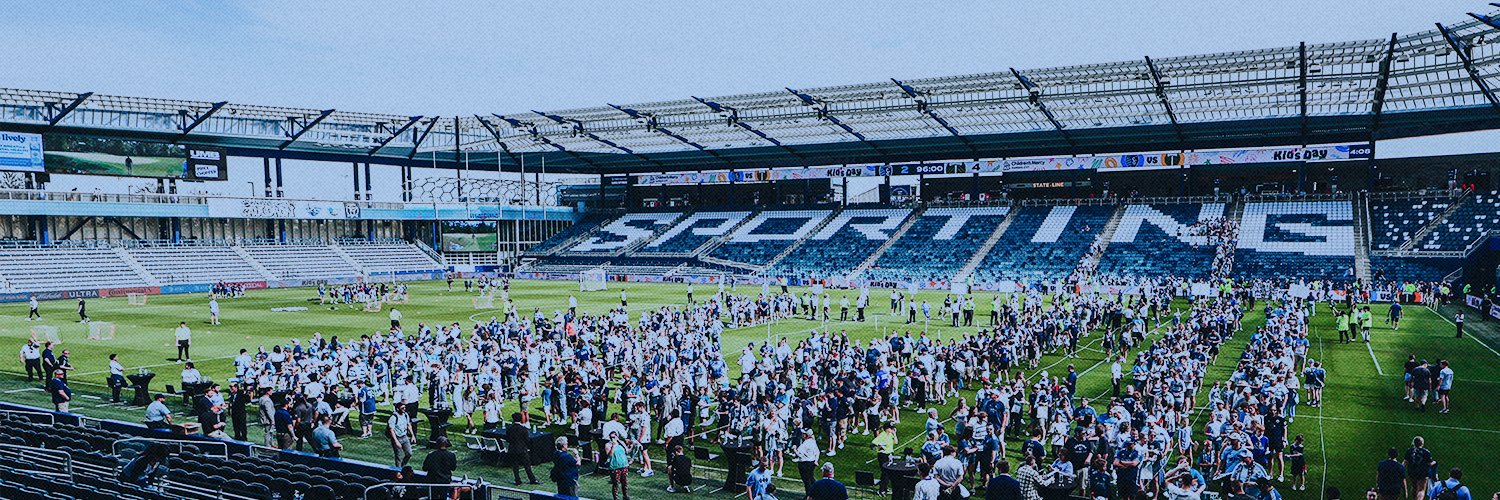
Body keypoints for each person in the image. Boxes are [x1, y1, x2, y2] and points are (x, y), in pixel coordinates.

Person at [507, 412, 539, 485]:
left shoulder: (509, 429)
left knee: (515, 467)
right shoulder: (523, 429)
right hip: (522, 450)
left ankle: (518, 481)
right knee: (527, 466)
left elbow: (508, 439)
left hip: (513, 449)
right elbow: (527, 440)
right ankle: (532, 479)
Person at [388, 403, 415, 467]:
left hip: (404, 436)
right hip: (397, 437)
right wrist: (396, 441)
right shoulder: (393, 417)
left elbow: (408, 425)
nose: (404, 409)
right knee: (398, 456)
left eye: (405, 408)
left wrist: (412, 435)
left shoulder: (405, 415)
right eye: (402, 408)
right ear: (397, 409)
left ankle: (402, 466)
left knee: (409, 453)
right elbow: (391, 430)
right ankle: (398, 471)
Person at [606, 434, 631, 500]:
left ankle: (625, 496)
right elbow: (610, 455)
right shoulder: (608, 445)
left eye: (614, 437)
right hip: (615, 467)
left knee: (625, 482)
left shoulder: (621, 443)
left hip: (624, 465)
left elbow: (627, 451)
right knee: (616, 483)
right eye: (611, 437)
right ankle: (615, 498)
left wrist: (630, 446)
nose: (612, 439)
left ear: (617, 437)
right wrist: (613, 446)